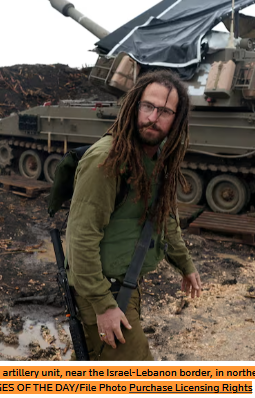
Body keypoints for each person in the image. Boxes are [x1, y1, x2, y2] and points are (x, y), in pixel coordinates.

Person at [65, 69, 201, 361]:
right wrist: (103, 305)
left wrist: (185, 264)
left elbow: (163, 216)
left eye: (165, 111)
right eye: (148, 106)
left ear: (176, 119)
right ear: (135, 105)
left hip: (125, 284)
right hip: (100, 290)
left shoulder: (158, 155)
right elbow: (80, 239)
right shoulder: (106, 159)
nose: (153, 118)